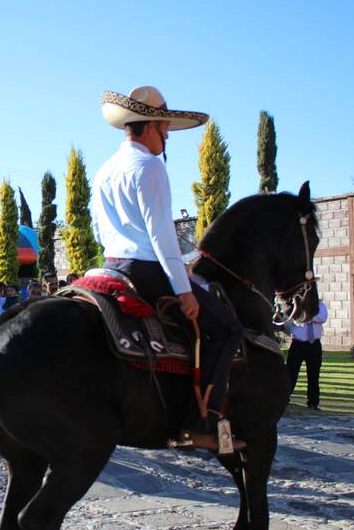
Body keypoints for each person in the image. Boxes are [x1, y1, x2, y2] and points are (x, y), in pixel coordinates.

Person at [91, 85, 242, 452]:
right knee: (226, 329)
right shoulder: (149, 166)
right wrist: (184, 290)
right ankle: (202, 422)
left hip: (111, 267)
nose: (168, 135)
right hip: (146, 269)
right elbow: (161, 238)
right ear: (151, 125)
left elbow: (99, 230)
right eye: (165, 127)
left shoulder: (104, 171)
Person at [287, 299, 328, 410]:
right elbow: (292, 320)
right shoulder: (294, 306)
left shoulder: (319, 305)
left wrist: (306, 316)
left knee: (313, 374)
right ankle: (285, 398)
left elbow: (323, 317)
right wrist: (304, 316)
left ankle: (313, 402)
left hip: (314, 344)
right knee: (291, 373)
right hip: (297, 344)